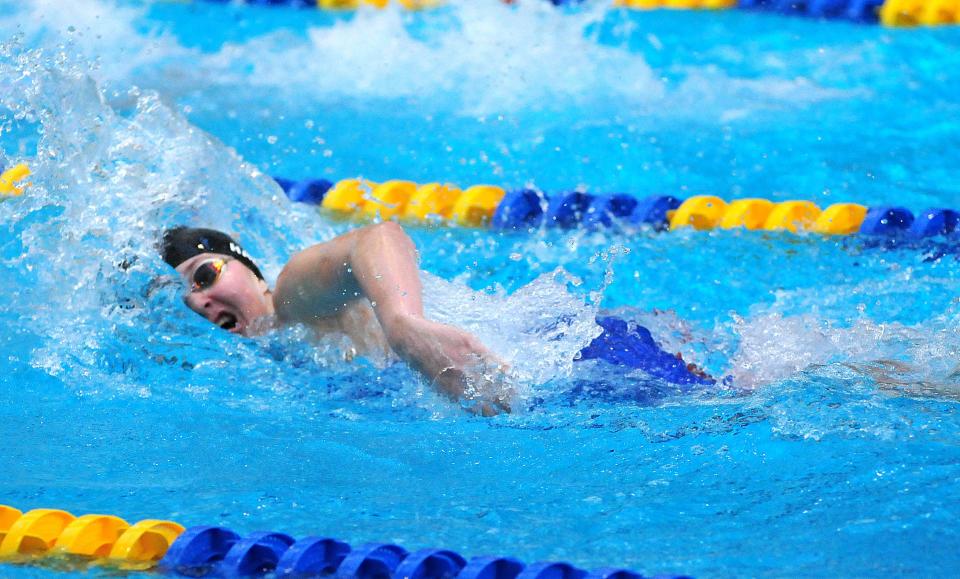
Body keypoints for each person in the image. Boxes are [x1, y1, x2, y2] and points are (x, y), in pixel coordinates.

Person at [160, 223, 713, 415]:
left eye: (206, 275)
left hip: (576, 361)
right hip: (557, 357)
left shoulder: (289, 294)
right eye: (191, 297)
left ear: (246, 263)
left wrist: (403, 325)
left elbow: (375, 238)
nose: (202, 301)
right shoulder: (287, 340)